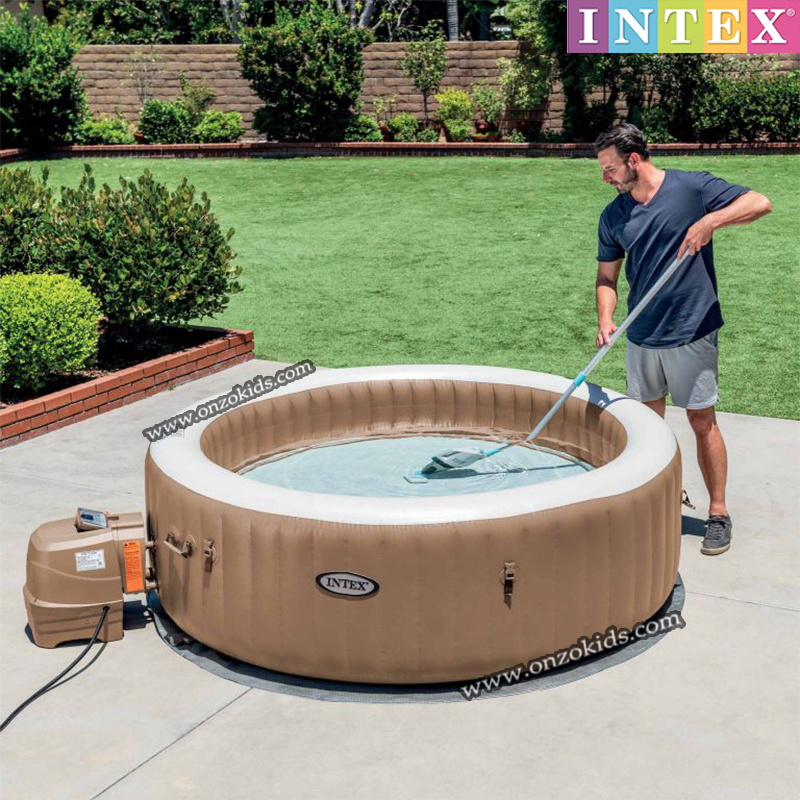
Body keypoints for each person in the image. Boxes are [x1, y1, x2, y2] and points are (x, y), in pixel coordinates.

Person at [593, 123, 771, 556]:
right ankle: (662, 501)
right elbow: (606, 277)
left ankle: (718, 513)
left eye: (610, 168)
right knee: (647, 426)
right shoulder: (614, 216)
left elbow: (759, 202)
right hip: (642, 334)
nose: (606, 177)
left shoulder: (691, 189)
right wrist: (606, 318)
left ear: (634, 160)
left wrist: (710, 220)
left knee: (701, 420)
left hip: (692, 328)